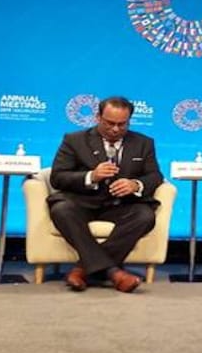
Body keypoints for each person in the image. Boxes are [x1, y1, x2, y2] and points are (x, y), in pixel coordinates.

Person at [47, 96, 162, 293]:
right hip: (83, 202)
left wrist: (135, 184)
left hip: (121, 205)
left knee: (145, 216)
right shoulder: (74, 140)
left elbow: (155, 176)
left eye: (122, 124)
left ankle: (83, 269)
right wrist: (92, 176)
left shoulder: (143, 143)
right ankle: (113, 273)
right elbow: (57, 177)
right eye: (110, 123)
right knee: (62, 209)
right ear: (98, 117)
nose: (116, 129)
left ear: (129, 121)